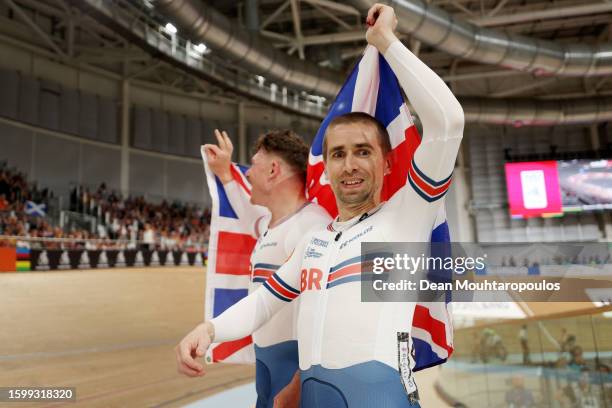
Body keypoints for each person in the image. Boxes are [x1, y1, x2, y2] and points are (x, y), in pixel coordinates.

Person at [175, 4, 463, 407]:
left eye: (363, 151)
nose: (350, 165)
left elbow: (448, 122)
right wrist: (209, 329)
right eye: (338, 154)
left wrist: (388, 43)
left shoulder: (407, 217)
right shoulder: (314, 243)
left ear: (387, 162)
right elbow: (263, 302)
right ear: (325, 168)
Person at [201, 128, 331, 407]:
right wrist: (225, 175)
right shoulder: (274, 225)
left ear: (273, 170)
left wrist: (298, 384)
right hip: (268, 363)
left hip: (295, 371)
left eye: (254, 166)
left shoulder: (311, 225)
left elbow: (326, 318)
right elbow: (250, 218)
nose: (246, 174)